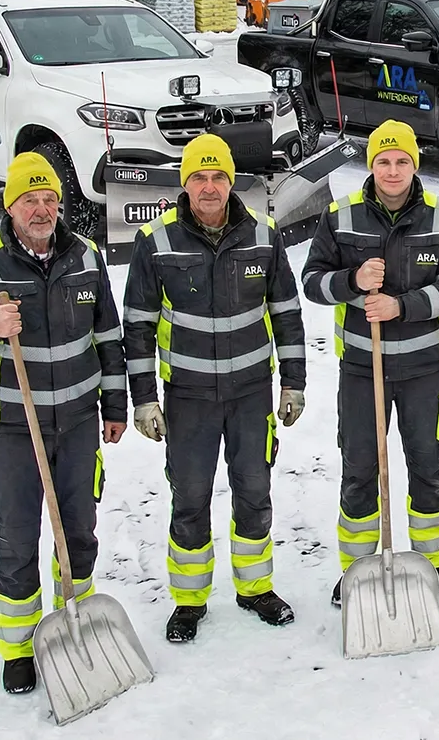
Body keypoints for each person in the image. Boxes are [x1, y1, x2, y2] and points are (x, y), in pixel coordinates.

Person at [0, 153, 127, 695]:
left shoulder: (85, 256)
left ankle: (77, 616)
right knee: (17, 536)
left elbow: (107, 338)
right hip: (14, 427)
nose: (41, 209)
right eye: (29, 199)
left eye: (48, 199)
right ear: (10, 205)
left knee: (78, 530)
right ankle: (17, 647)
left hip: (79, 422)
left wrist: (115, 407)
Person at [123, 134, 306, 640]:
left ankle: (254, 588)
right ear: (185, 184)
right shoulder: (155, 242)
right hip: (189, 397)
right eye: (199, 177)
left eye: (218, 177)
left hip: (252, 395)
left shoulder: (264, 237)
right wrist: (143, 398)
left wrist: (293, 383)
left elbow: (287, 315)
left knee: (253, 490)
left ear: (232, 182)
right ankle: (189, 600)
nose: (209, 187)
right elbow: (135, 325)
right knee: (190, 497)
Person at [302, 120, 439, 606]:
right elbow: (312, 281)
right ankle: (357, 568)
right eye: (383, 160)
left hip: (423, 371)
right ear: (371, 165)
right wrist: (353, 280)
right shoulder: (341, 216)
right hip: (362, 368)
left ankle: (433, 564)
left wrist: (404, 306)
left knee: (427, 467)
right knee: (359, 468)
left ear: (414, 165)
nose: (392, 170)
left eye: (401, 161)